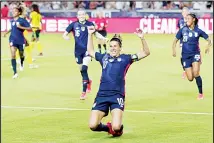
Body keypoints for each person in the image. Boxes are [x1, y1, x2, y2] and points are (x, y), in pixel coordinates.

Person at [87, 26, 150, 137]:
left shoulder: (127, 59)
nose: (112, 48)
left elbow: (146, 52)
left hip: (117, 96)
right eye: (111, 46)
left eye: (115, 46)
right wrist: (89, 34)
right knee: (93, 125)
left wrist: (142, 38)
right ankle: (108, 128)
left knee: (117, 126)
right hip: (101, 96)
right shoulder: (104, 57)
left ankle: (117, 129)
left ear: (120, 48)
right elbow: (90, 51)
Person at [63, 9, 107, 100]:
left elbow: (96, 34)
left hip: (88, 50)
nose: (81, 16)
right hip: (77, 51)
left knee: (84, 68)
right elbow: (64, 34)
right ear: (77, 16)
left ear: (85, 15)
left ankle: (83, 92)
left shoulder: (90, 24)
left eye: (83, 14)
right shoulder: (73, 25)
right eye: (80, 14)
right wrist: (66, 37)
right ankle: (88, 81)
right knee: (82, 71)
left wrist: (103, 38)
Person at [172, 13, 212, 100]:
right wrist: (174, 50)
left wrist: (207, 47)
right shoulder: (183, 30)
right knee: (190, 78)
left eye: (188, 19)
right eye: (186, 19)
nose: (186, 20)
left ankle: (200, 93)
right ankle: (185, 69)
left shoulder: (198, 31)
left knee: (196, 73)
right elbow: (175, 40)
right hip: (185, 56)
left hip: (195, 54)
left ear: (193, 19)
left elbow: (209, 40)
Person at [3, 6, 31, 79]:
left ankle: (21, 63)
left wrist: (21, 27)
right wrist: (6, 33)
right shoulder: (12, 20)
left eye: (15, 11)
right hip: (12, 39)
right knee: (13, 55)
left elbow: (30, 28)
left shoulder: (22, 20)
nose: (13, 12)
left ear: (19, 13)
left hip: (21, 40)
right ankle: (15, 72)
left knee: (21, 54)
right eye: (13, 11)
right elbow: (12, 28)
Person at [177, 7, 190, 79]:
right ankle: (185, 70)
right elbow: (179, 30)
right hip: (182, 42)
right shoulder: (180, 21)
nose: (184, 13)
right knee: (182, 57)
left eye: (185, 12)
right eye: (183, 12)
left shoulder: (191, 21)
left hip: (190, 42)